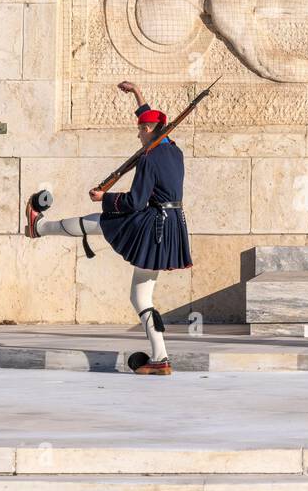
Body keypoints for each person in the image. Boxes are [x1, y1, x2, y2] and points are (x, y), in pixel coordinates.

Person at [24, 81, 190, 376]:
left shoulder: (149, 159)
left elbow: (136, 201)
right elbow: (154, 120)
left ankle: (41, 227)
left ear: (150, 131)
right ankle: (161, 358)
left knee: (99, 220)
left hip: (151, 225)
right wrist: (138, 94)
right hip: (172, 226)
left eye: (140, 130)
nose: (138, 134)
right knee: (141, 298)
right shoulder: (174, 152)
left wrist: (106, 198)